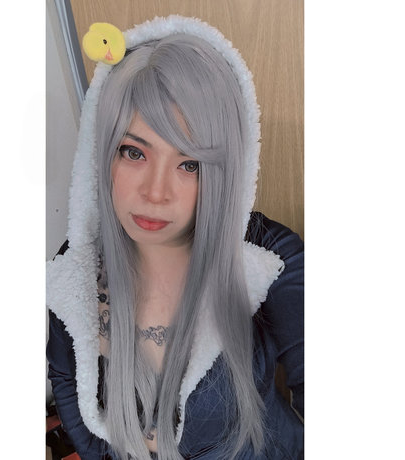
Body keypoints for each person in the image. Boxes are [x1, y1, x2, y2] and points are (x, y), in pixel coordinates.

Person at [47, 15, 304, 460]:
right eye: (133, 152)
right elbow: (85, 427)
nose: (155, 193)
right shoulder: (75, 272)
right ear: (102, 154)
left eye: (190, 164)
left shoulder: (268, 257)